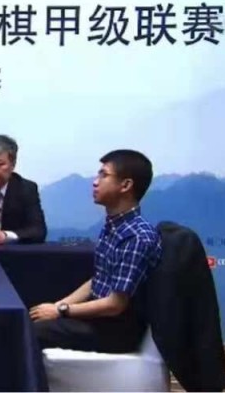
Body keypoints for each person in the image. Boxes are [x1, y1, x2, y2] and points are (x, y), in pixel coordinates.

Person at [31, 149, 162, 353]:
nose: (95, 182)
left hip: (115, 331)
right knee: (32, 313)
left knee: (30, 331)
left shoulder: (136, 236)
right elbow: (98, 279)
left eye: (104, 175)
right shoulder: (114, 225)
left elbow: (115, 305)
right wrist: (57, 305)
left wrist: (60, 310)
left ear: (126, 185)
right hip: (97, 318)